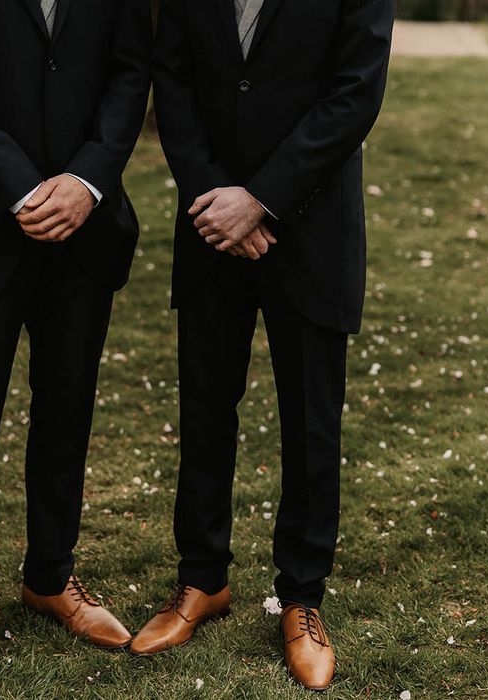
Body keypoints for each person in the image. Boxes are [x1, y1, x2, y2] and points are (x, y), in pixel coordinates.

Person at [133, 0, 394, 690]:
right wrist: (217, 194)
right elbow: (174, 81)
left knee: (311, 419)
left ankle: (302, 597)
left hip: (311, 228)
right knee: (205, 409)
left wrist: (265, 198)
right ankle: (201, 581)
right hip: (210, 225)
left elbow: (355, 92)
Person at [0, 0, 152, 690]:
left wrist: (87, 180)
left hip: (86, 224)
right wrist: (19, 187)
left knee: (68, 407)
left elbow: (132, 70)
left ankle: (50, 575)